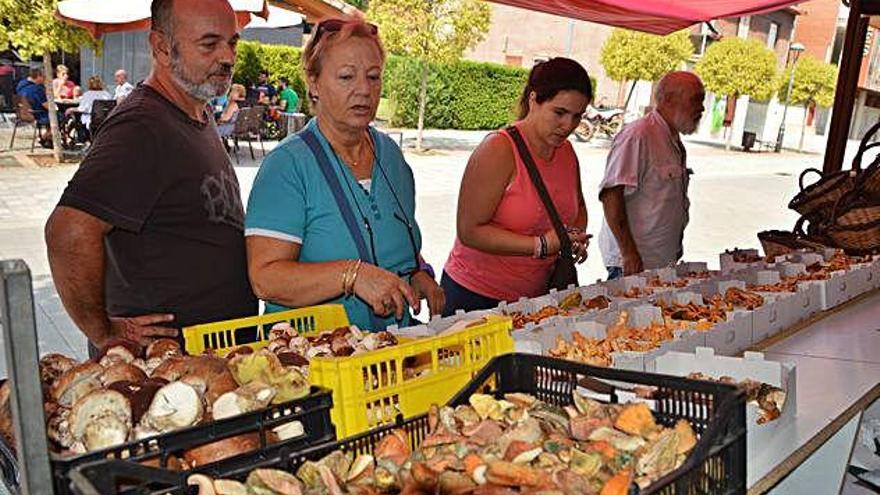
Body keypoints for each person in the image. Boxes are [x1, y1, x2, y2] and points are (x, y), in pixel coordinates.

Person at [44, 0, 257, 350]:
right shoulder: (142, 126)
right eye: (209, 43)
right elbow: (67, 231)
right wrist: (103, 331)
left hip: (207, 360)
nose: (228, 57)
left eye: (232, 42)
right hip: (163, 373)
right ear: (161, 47)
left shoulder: (193, 113)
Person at [245, 17, 444, 330]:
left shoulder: (391, 156)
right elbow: (265, 279)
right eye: (347, 77)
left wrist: (417, 273)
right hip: (315, 358)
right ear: (313, 83)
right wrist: (352, 275)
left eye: (374, 76)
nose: (364, 90)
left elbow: (394, 239)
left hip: (393, 352)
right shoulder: (287, 166)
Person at [441, 58, 592, 315]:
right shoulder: (498, 149)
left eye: (577, 116)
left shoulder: (567, 152)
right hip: (476, 296)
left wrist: (573, 237)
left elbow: (577, 207)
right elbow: (469, 230)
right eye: (559, 113)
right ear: (534, 100)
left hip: (535, 298)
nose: (568, 126)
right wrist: (541, 245)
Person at [597, 71, 705, 280]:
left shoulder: (672, 139)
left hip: (659, 264)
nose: (701, 108)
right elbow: (612, 195)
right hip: (632, 266)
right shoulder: (639, 135)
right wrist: (629, 253)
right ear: (669, 99)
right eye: (695, 100)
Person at [15, 67, 51, 146]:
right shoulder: (37, 89)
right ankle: (44, 138)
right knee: (59, 117)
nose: (45, 79)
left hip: (22, 113)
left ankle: (48, 139)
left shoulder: (21, 84)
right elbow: (46, 105)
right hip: (37, 115)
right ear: (38, 76)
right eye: (43, 77)